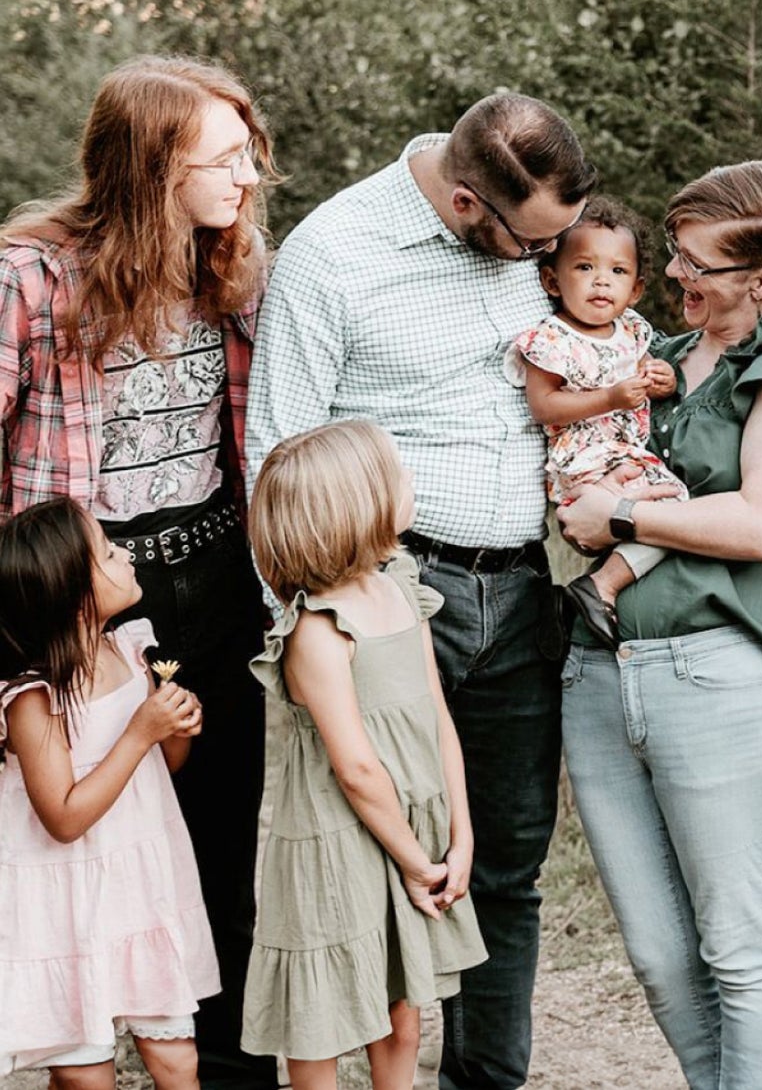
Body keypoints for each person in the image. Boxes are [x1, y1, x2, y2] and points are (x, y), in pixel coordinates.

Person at [246, 91, 595, 1090]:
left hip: (523, 588)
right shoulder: (333, 254)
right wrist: (311, 642)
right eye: (529, 241)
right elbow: (277, 447)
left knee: (507, 866)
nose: (545, 259)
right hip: (388, 597)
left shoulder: (535, 245)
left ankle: (483, 1080)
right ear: (462, 202)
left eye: (557, 240)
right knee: (370, 866)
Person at [0, 55, 278, 1090]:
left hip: (217, 573)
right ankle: (78, 1043)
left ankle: (216, 1065)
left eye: (248, 156)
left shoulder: (236, 267)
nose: (248, 179)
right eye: (225, 161)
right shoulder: (30, 279)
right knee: (83, 832)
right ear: (152, 168)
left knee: (221, 834)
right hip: (97, 596)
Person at [556, 159, 762, 1090]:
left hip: (719, 680)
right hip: (601, 675)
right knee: (657, 955)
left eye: (695, 265)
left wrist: (621, 521)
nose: (673, 275)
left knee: (738, 950)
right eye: (675, 255)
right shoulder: (659, 361)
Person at [241, 421, 487, 1090]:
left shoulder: (401, 582)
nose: (410, 484)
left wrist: (458, 839)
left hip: (412, 836)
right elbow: (354, 766)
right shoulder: (317, 631)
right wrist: (417, 862)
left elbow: (438, 716)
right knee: (322, 1023)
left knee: (402, 1014)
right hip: (337, 841)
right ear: (353, 507)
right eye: (397, 476)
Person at [0, 497, 217, 1087]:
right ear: (72, 594)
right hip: (66, 902)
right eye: (108, 552)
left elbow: (161, 768)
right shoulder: (32, 698)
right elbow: (64, 818)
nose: (126, 554)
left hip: (141, 886)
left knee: (178, 1060)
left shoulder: (128, 649)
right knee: (85, 1077)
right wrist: (140, 730)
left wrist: (174, 726)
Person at [505, 195, 682, 646]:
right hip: (582, 459)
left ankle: (596, 592)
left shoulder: (634, 331)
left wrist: (662, 380)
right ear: (551, 279)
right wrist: (608, 397)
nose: (601, 281)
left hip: (626, 453)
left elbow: (645, 383)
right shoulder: (552, 339)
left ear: (636, 290)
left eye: (617, 272)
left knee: (672, 509)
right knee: (663, 516)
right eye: (584, 268)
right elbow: (544, 405)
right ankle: (599, 589)